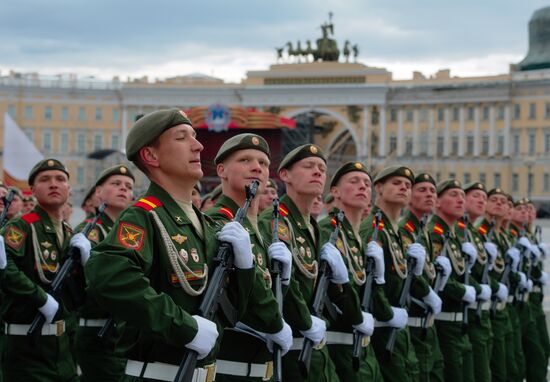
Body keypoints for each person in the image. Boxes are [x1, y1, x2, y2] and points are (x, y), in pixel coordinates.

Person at [84, 109, 257, 382]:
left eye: (195, 137)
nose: (198, 145)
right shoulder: (143, 217)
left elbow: (232, 311)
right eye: (181, 137)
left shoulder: (206, 225)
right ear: (151, 156)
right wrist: (184, 327)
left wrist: (246, 267)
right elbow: (108, 277)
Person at [206, 133, 292, 381]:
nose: (257, 167)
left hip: (261, 368)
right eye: (245, 160)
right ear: (222, 170)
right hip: (228, 367)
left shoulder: (262, 231)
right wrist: (275, 323)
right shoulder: (217, 222)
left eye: (264, 163)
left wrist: (284, 282)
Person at [258, 144, 346, 381]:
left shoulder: (313, 226)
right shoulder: (275, 222)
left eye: (321, 168)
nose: (317, 172)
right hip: (291, 352)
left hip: (316, 349)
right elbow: (281, 284)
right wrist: (306, 321)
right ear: (285, 175)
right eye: (308, 166)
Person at [1, 158, 90, 381]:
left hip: (63, 349)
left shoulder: (70, 233)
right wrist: (40, 298)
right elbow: (5, 268)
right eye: (45, 179)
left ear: (69, 189)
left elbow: (77, 294)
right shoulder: (21, 226)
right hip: (27, 348)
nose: (53, 184)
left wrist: (88, 263)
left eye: (60, 179)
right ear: (32, 190)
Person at [359, 165, 426, 382]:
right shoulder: (373, 228)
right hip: (381, 330)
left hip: (397, 329)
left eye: (407, 185)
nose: (404, 188)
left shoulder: (396, 231)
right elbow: (369, 284)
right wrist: (387, 312)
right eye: (396, 183)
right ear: (379, 187)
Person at [319, 162, 382, 381]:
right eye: (354, 182)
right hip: (340, 347)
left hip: (363, 347)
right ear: (334, 191)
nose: (362, 187)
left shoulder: (357, 238)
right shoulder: (330, 229)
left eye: (366, 183)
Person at [74, 165, 135, 382]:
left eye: (128, 187)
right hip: (97, 331)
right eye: (115, 184)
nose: (123, 189)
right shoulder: (89, 231)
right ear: (99, 192)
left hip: (123, 332)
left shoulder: (129, 233)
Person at [428, 179, 481, 382]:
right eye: (453, 195)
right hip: (444, 323)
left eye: (461, 195)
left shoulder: (452, 235)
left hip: (460, 322)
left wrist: (474, 288)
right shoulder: (436, 233)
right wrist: (462, 291)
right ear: (438, 202)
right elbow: (437, 276)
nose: (460, 199)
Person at [399, 173, 447, 381]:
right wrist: (427, 293)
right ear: (409, 196)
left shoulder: (422, 229)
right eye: (422, 190)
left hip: (427, 325)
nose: (429, 195)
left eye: (432, 191)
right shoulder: (404, 229)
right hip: (413, 324)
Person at [457, 182, 497, 382]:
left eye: (484, 197)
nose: (482, 200)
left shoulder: (473, 232)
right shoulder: (459, 230)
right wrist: (479, 287)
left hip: (479, 313)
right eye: (476, 196)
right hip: (465, 316)